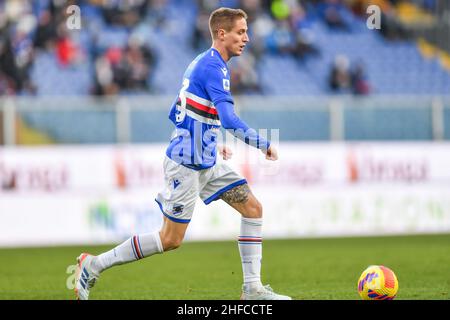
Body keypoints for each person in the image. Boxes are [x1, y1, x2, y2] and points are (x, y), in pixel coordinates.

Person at [74, 7, 291, 301]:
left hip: (205, 160)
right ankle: (93, 265)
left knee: (253, 208)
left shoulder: (202, 63)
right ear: (222, 33)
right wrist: (262, 143)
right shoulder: (213, 68)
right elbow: (229, 119)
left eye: (246, 32)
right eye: (241, 32)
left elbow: (177, 112)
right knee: (170, 239)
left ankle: (252, 289)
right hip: (186, 165)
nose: (247, 38)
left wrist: (210, 143)